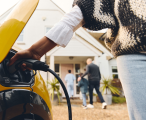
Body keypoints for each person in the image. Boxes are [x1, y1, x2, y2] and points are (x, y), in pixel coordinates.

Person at [9, 0, 146, 119]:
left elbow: (87, 72)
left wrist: (81, 77)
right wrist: (37, 50)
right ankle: (94, 103)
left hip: (94, 80)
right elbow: (85, 8)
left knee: (90, 92)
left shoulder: (89, 67)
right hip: (136, 49)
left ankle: (90, 104)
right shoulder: (92, 67)